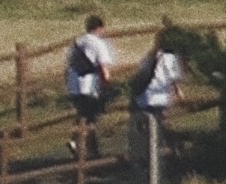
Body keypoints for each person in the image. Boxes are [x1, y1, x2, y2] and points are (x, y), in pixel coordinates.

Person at [128, 28, 183, 170]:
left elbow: (140, 75)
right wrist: (177, 92)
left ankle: (146, 157)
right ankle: (168, 155)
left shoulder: (150, 56)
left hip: (145, 97)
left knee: (149, 127)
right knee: (161, 125)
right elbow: (173, 79)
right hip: (160, 97)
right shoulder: (171, 58)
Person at [66, 12, 117, 159]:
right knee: (91, 117)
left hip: (74, 84)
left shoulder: (77, 42)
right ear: (99, 28)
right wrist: (107, 84)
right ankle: (78, 142)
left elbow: (68, 65)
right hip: (89, 85)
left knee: (83, 115)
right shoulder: (98, 43)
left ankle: (91, 149)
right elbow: (103, 67)